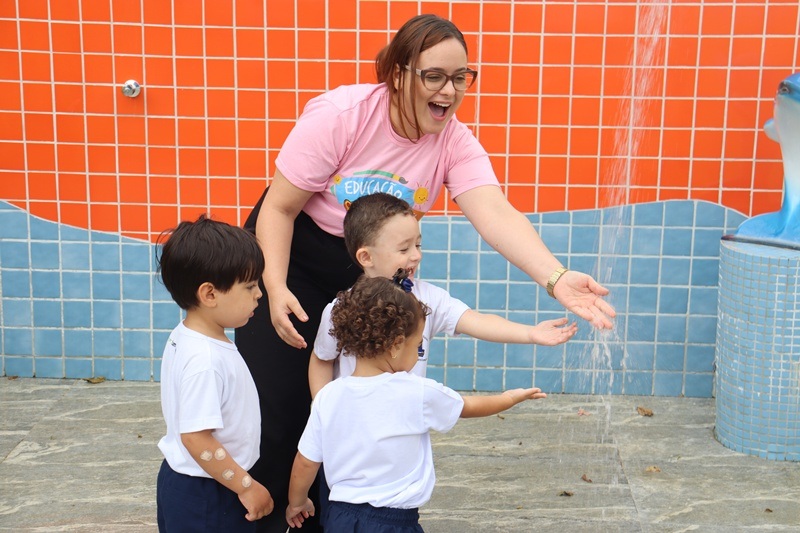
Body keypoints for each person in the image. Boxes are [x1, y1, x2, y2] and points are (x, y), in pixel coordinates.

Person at [235, 13, 616, 532]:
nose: (450, 90)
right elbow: (278, 208)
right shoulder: (342, 116)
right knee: (279, 407)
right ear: (398, 74)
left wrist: (555, 277)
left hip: (371, 276)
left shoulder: (454, 141)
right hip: (293, 257)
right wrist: (276, 286)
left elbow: (494, 211)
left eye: (461, 77)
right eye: (434, 76)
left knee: (356, 422)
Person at [285, 274, 549, 530]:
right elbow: (467, 407)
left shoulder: (328, 396)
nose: (418, 353)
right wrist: (508, 398)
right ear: (396, 346)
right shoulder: (415, 392)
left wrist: (297, 502)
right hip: (392, 522)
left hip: (340, 517)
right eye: (417, 347)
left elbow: (306, 461)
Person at [309, 192, 578, 395]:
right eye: (404, 249)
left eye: (418, 245)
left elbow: (475, 321)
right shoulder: (341, 308)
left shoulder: (428, 298)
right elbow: (322, 359)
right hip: (353, 427)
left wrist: (530, 333)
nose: (416, 255)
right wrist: (322, 409)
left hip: (406, 425)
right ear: (366, 257)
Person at [155, 215, 273, 532]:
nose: (259, 294)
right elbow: (196, 437)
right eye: (250, 286)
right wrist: (246, 486)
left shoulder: (187, 335)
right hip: (209, 490)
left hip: (201, 480)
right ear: (209, 294)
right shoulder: (204, 359)